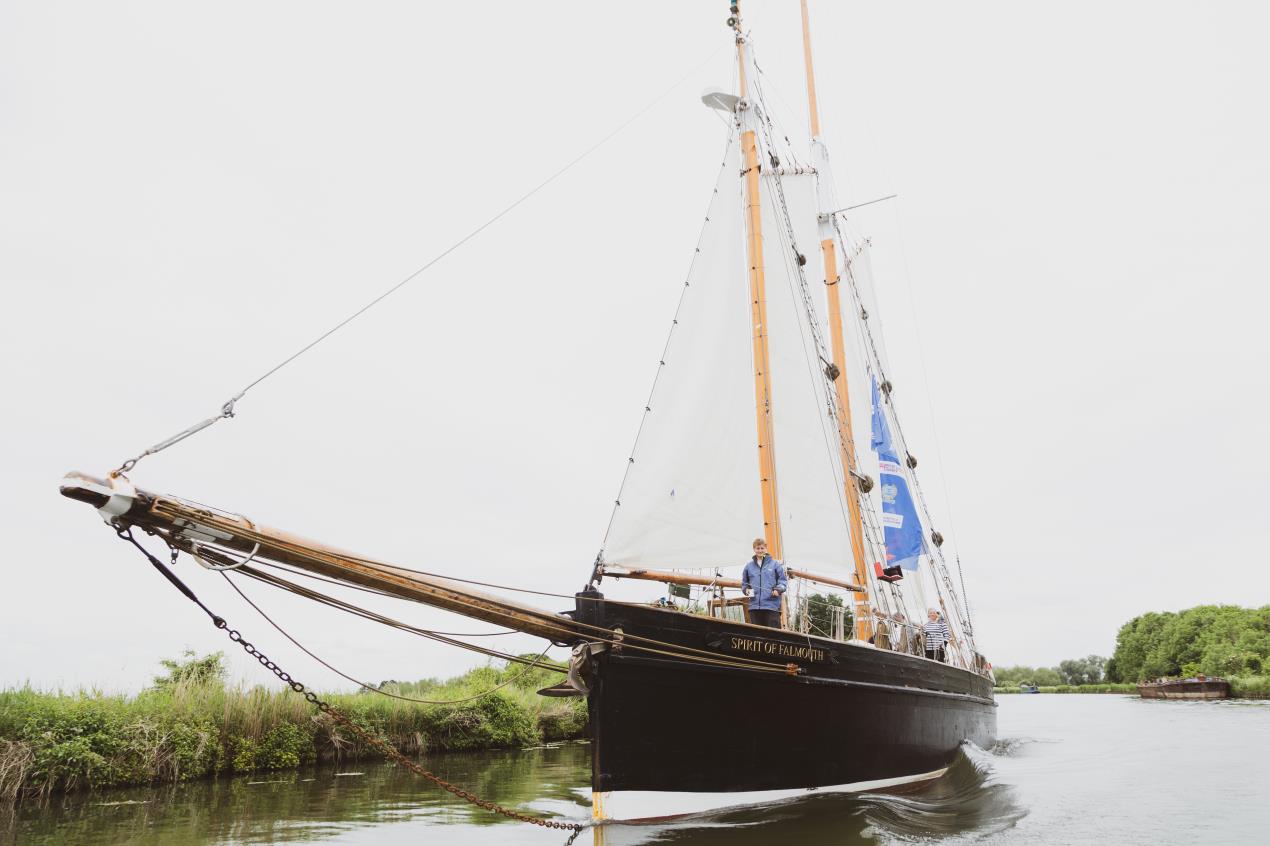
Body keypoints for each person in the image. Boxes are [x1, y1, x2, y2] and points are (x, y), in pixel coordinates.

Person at [741, 538, 786, 629]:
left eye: (762, 548)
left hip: (771, 606)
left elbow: (783, 581)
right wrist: (746, 591)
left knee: (774, 635)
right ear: (754, 549)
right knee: (757, 636)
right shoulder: (748, 567)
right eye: (758, 548)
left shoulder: (775, 565)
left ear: (766, 549)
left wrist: (778, 590)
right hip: (754, 607)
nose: (760, 550)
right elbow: (744, 584)